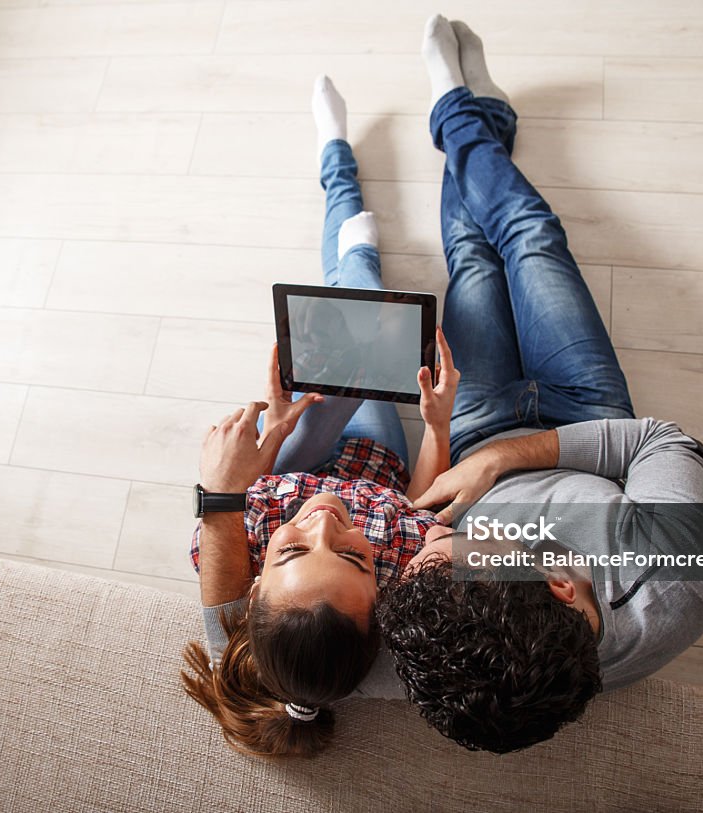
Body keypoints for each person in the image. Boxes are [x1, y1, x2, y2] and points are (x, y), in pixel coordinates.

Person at [371, 16, 703, 754]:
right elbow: (663, 440)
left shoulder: (448, 649)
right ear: (563, 583)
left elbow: (246, 647)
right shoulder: (678, 583)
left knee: (472, 260)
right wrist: (503, 462)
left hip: (470, 430)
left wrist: (455, 444)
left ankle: (473, 112)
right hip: (589, 413)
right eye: (455, 545)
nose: (428, 532)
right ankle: (462, 112)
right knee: (529, 233)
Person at [181, 75, 460, 758]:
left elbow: (253, 488)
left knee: (355, 311)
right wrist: (440, 424)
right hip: (379, 460)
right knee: (361, 332)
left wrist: (276, 422)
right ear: (380, 596)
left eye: (294, 547)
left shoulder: (230, 539)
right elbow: (421, 498)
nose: (328, 520)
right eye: (353, 555)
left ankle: (343, 192)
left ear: (253, 580)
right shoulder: (404, 566)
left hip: (293, 460)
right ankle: (348, 230)